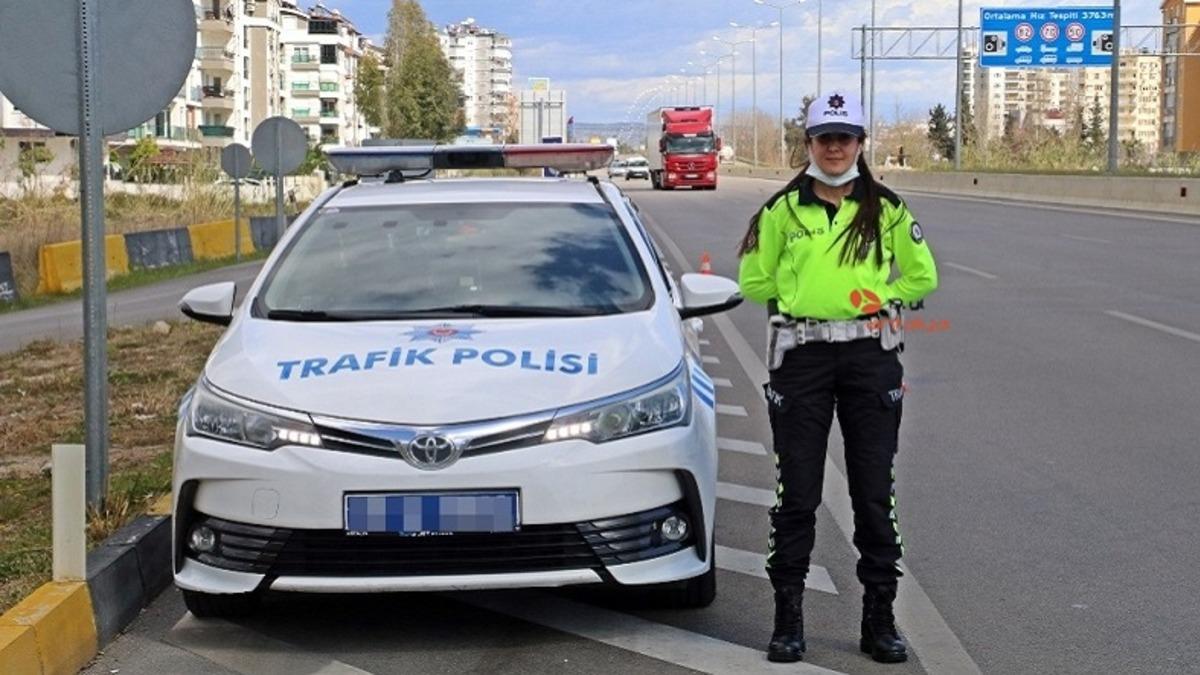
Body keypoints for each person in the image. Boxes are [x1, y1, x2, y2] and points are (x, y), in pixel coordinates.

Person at [736, 91, 938, 664]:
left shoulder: (887, 207)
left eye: (844, 137)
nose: (833, 147)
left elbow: (922, 274)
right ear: (808, 144)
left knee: (873, 493)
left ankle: (880, 618)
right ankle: (789, 616)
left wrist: (882, 299)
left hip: (871, 357)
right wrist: (797, 305)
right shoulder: (780, 210)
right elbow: (753, 279)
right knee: (796, 492)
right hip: (801, 360)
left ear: (860, 144)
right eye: (824, 137)